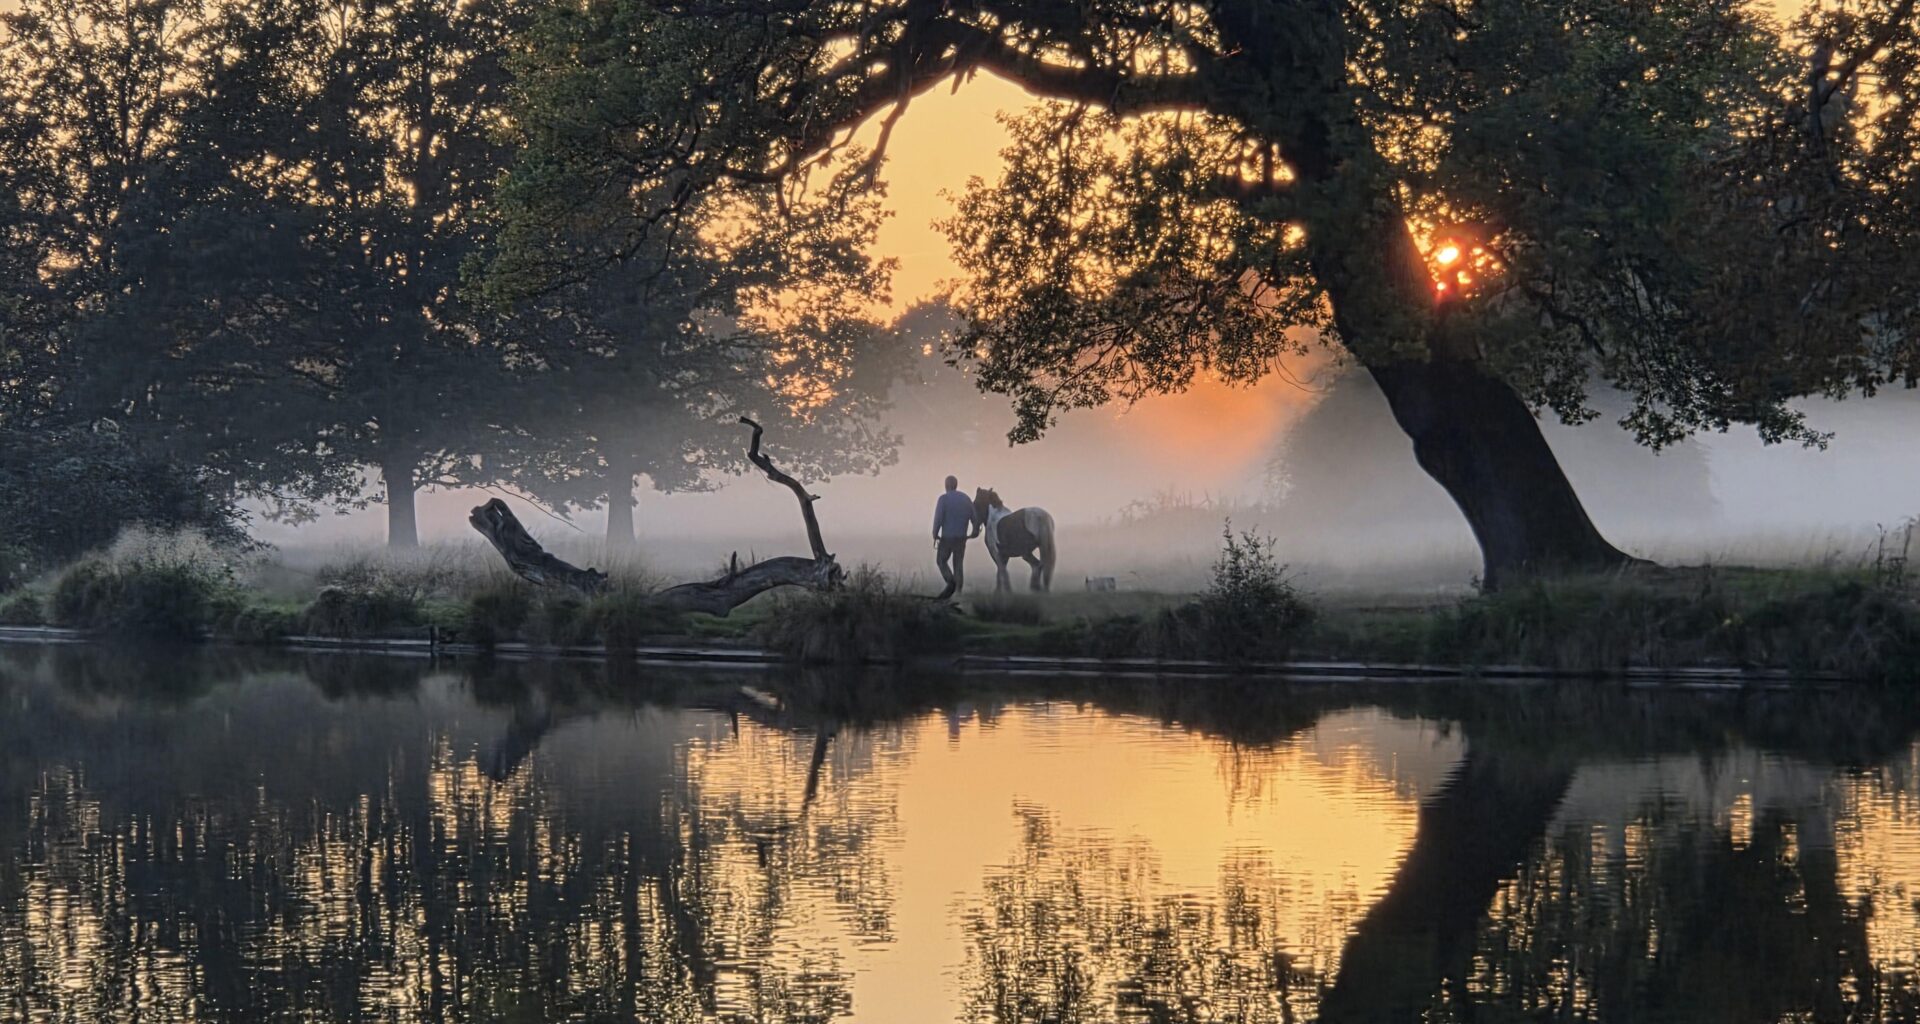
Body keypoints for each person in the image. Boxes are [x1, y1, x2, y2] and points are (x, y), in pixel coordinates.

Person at [932, 475, 979, 600]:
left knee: (941, 561)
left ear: (946, 485)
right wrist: (974, 531)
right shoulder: (965, 499)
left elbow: (938, 518)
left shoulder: (943, 499)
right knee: (958, 564)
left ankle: (951, 583)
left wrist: (935, 533)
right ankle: (958, 593)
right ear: (956, 485)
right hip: (961, 538)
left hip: (947, 538)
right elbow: (974, 518)